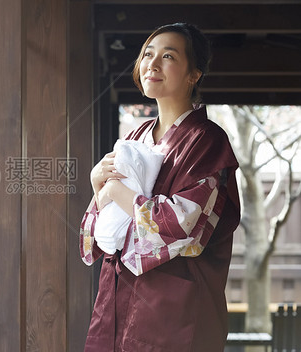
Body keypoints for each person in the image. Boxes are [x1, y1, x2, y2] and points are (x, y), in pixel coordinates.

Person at [79, 23, 240, 352]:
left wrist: (115, 194)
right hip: (115, 300)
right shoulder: (133, 138)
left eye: (168, 56)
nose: (152, 64)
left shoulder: (207, 141)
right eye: (147, 54)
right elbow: (103, 237)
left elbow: (183, 228)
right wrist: (98, 191)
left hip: (175, 313)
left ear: (194, 74)